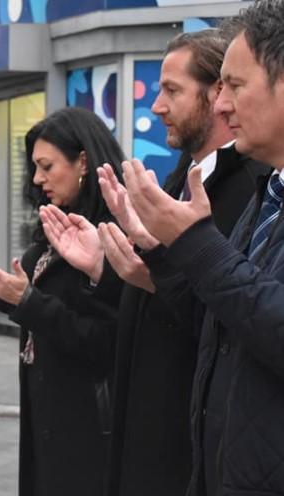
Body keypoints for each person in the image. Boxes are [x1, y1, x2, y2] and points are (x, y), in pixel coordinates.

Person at [119, 2, 284, 493]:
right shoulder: (268, 193)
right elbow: (222, 325)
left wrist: (193, 243)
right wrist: (161, 253)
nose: (221, 105)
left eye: (234, 86)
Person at [0, 107, 124, 496]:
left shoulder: (116, 232)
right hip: (48, 413)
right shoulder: (55, 221)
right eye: (35, 168)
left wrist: (25, 300)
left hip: (90, 424)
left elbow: (105, 340)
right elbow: (39, 308)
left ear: (82, 160)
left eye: (47, 166)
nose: (38, 178)